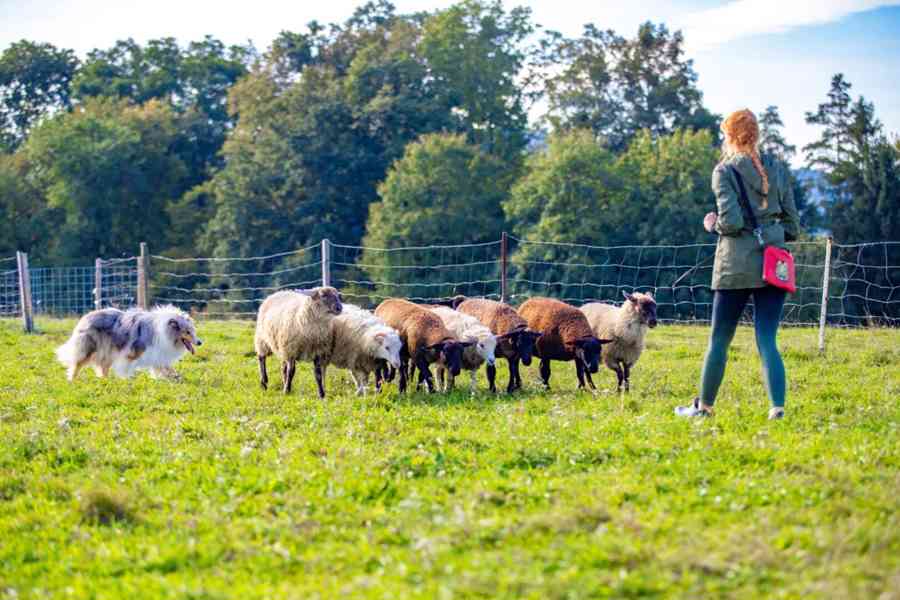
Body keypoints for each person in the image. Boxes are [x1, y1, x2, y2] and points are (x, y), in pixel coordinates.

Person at [676, 109, 801, 420]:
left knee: (719, 339)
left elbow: (730, 222)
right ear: (756, 135)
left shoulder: (724, 171)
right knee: (768, 339)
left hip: (735, 266)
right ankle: (777, 408)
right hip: (775, 263)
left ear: (729, 136)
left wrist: (712, 224)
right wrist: (770, 233)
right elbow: (793, 227)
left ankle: (703, 408)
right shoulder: (777, 169)